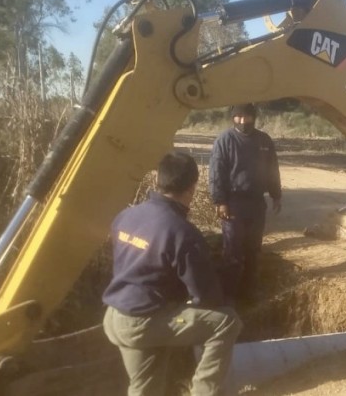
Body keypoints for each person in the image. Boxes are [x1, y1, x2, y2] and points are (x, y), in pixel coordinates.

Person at [102, 151, 242, 396]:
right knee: (226, 323)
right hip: (144, 322)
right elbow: (206, 297)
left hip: (116, 317)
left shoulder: (126, 216)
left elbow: (138, 265)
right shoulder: (181, 232)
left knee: (146, 387)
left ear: (159, 181)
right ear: (191, 188)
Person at [209, 103, 282, 305]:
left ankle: (248, 294)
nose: (242, 121)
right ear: (233, 118)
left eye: (247, 117)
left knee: (253, 250)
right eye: (238, 117)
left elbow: (272, 170)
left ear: (254, 117)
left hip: (257, 204)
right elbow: (216, 173)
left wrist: (276, 194)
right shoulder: (224, 140)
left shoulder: (264, 140)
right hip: (233, 204)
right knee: (232, 251)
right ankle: (228, 296)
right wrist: (220, 201)